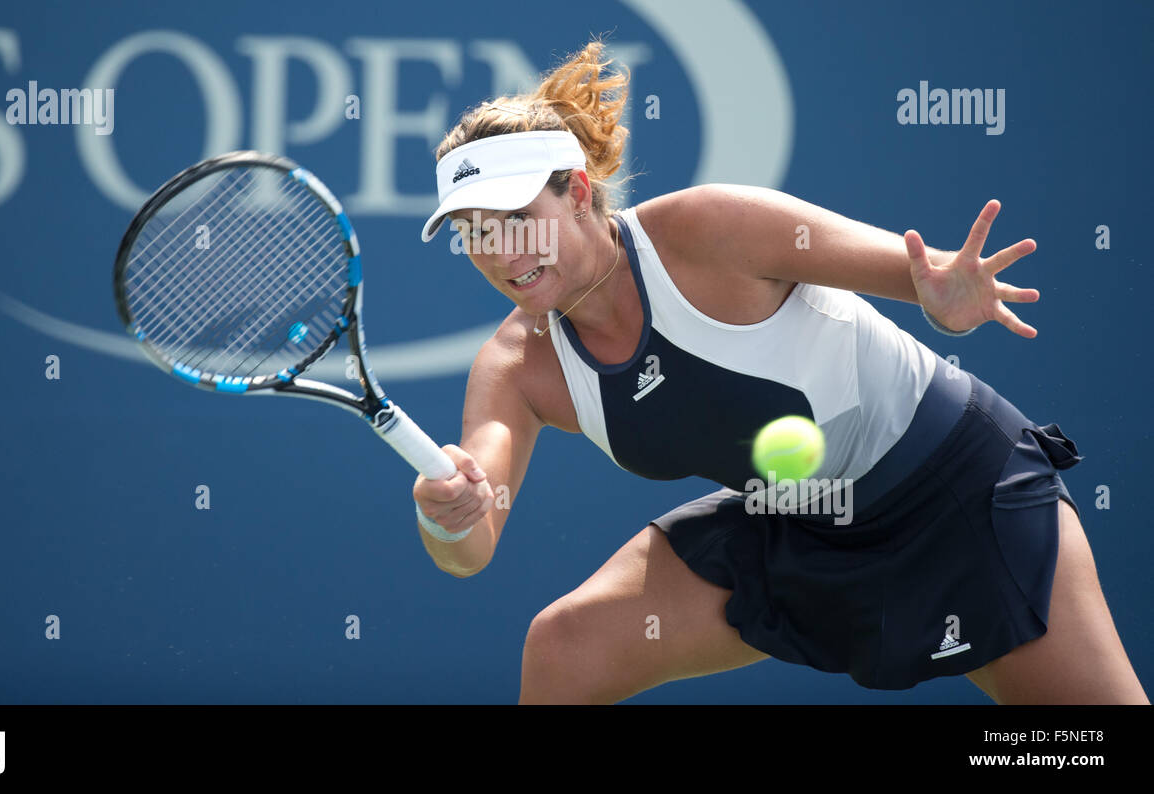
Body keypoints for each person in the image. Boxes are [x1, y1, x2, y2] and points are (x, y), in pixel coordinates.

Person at [411, 39, 1148, 705]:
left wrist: (944, 295)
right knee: (565, 648)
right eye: (475, 233)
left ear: (575, 191)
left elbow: (916, 273)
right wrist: (447, 513)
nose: (502, 253)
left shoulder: (708, 230)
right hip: (795, 524)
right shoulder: (516, 366)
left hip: (958, 494)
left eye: (515, 217)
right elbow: (471, 547)